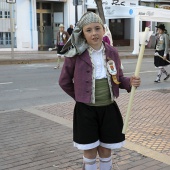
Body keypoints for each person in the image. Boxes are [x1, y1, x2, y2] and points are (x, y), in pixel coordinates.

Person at [59, 12, 141, 170]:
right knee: (89, 150)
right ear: (83, 33)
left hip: (109, 108)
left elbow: (119, 78)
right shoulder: (75, 54)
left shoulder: (112, 52)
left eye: (97, 28)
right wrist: (80, 96)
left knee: (105, 149)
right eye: (88, 30)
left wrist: (130, 82)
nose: (94, 33)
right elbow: (64, 81)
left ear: (103, 30)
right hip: (85, 111)